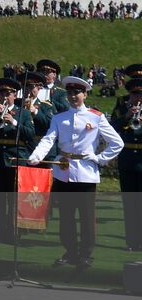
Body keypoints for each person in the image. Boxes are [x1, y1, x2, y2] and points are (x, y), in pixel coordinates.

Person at [29, 75, 124, 269]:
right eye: (70, 93)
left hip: (86, 174)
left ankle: (86, 253)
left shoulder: (96, 117)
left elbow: (117, 142)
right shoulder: (59, 118)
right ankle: (70, 251)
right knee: (66, 215)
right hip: (63, 173)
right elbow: (49, 139)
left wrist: (99, 159)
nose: (73, 96)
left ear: (85, 94)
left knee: (87, 216)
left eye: (77, 93)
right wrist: (37, 156)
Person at [0, 77, 34, 244]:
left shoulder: (23, 113)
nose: (4, 96)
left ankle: (14, 233)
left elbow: (30, 135)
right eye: (1, 92)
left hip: (15, 160)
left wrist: (14, 122)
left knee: (15, 199)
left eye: (8, 93)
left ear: (14, 94)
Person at [109, 74, 142, 252]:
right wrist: (126, 116)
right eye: (135, 94)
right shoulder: (122, 106)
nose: (138, 98)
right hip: (127, 160)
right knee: (130, 204)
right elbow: (111, 127)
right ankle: (132, 241)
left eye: (140, 95)